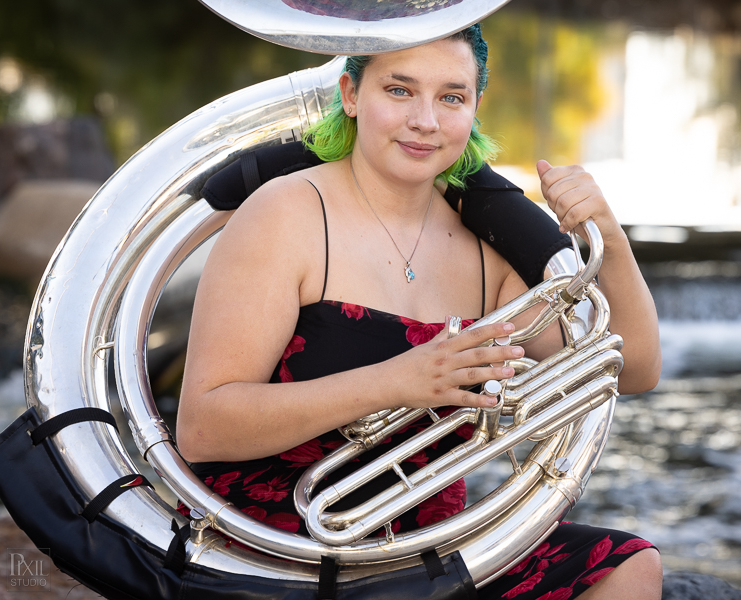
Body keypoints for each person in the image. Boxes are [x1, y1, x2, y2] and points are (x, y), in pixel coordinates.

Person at [176, 24, 663, 600]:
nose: (425, 120)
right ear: (351, 95)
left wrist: (609, 237)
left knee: (629, 567)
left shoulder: (487, 253)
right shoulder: (285, 214)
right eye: (399, 90)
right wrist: (396, 382)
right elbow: (203, 429)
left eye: (451, 97)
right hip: (275, 550)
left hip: (427, 552)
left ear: (474, 109)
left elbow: (631, 368)